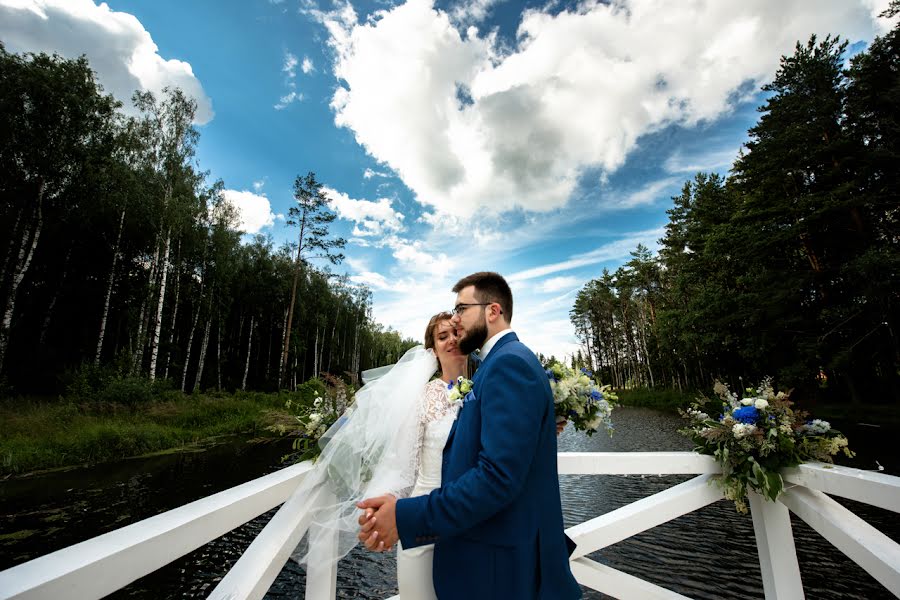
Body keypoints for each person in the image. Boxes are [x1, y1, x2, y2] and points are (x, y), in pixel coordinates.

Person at [357, 272, 581, 599]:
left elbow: (497, 476)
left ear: (492, 311)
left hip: (500, 564)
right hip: (485, 550)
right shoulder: (500, 364)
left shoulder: (508, 365)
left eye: (461, 309)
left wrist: (405, 516)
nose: (456, 320)